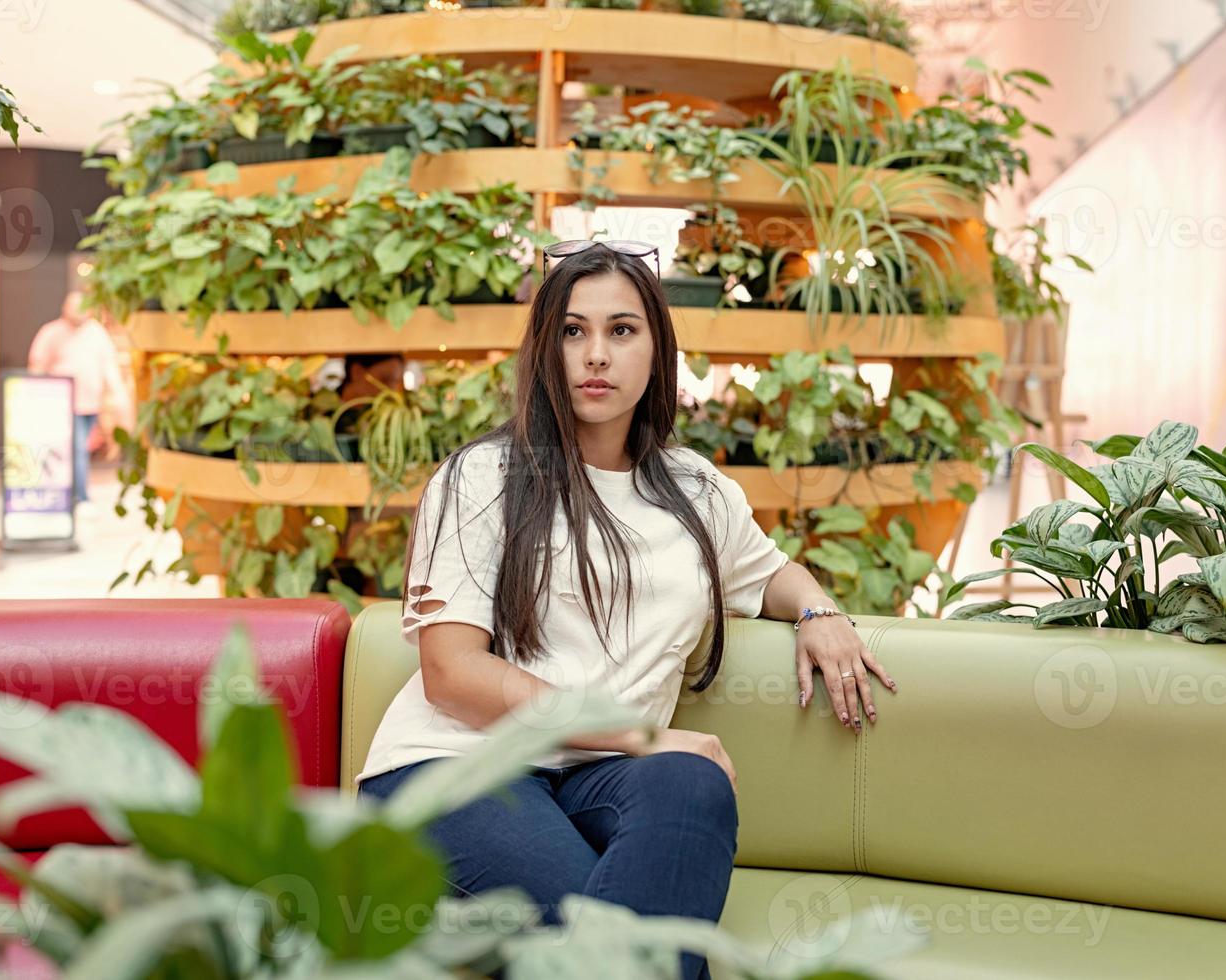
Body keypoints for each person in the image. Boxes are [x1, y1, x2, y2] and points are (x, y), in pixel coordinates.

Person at [355, 240, 898, 980]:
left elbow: (770, 574)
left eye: (621, 330)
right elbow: (452, 675)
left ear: (656, 350)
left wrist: (817, 613)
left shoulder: (697, 492)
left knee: (691, 781)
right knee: (628, 956)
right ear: (546, 349)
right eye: (572, 331)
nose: (595, 356)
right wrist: (642, 733)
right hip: (459, 766)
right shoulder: (482, 476)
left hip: (598, 777)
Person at [26, 292, 131, 509]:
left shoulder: (96, 333)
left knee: (78, 449)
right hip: (60, 404)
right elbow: (37, 366)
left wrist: (120, 398)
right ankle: (79, 497)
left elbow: (108, 368)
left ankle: (72, 495)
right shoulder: (52, 332)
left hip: (89, 405)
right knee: (75, 450)